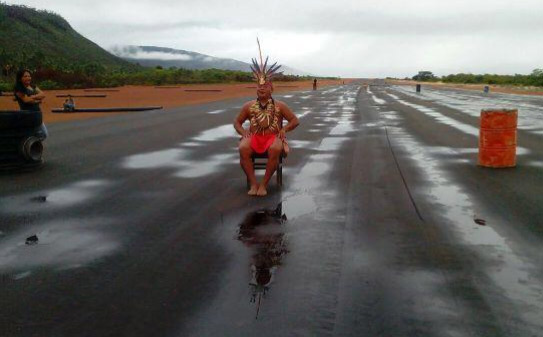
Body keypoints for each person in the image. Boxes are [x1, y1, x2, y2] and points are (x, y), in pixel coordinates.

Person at [234, 43, 299, 196]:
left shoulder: (280, 105)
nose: (261, 89)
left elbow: (295, 120)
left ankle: (263, 185)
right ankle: (254, 184)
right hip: (254, 137)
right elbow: (237, 122)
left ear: (271, 89)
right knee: (243, 147)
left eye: (264, 87)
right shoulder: (248, 105)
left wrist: (284, 129)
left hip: (273, 138)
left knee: (276, 148)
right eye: (259, 87)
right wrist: (243, 132)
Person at [13, 69, 48, 137]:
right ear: (20, 78)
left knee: (42, 134)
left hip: (37, 113)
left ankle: (32, 145)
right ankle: (30, 145)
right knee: (41, 134)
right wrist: (37, 99)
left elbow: (43, 94)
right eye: (25, 76)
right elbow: (26, 100)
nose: (28, 78)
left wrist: (33, 96)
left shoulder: (32, 86)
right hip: (27, 115)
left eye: (29, 76)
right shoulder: (18, 88)